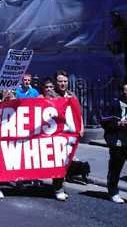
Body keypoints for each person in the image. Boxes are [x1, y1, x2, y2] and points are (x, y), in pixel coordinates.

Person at [52, 70, 84, 201]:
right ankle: (58, 188)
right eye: (60, 81)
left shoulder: (72, 95)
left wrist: (81, 127)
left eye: (65, 81)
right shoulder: (52, 96)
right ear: (56, 82)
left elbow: (78, 113)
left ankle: (61, 184)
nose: (63, 83)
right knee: (59, 162)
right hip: (58, 134)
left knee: (66, 162)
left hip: (72, 134)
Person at [99, 83, 127, 203]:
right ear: (122, 92)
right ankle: (113, 192)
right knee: (115, 169)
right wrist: (118, 124)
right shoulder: (114, 105)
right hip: (118, 143)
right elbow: (103, 120)